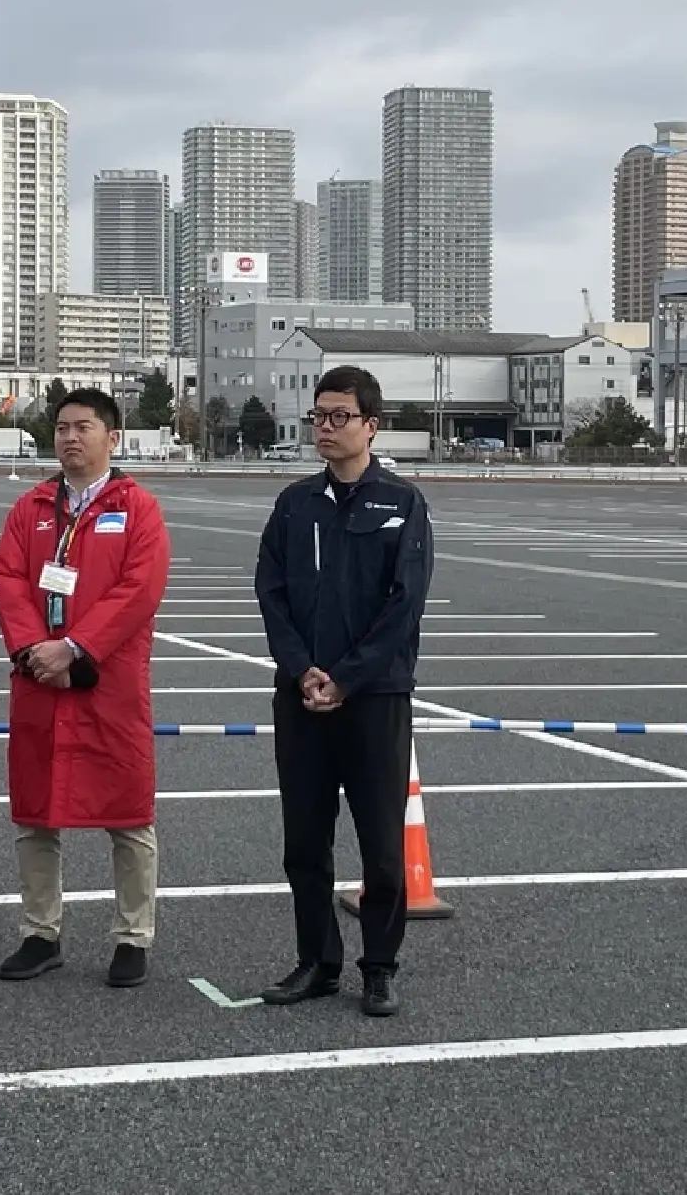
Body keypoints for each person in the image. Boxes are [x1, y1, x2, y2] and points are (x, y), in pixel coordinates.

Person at [254, 365, 434, 1017]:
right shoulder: (295, 503)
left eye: (339, 417)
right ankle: (317, 961)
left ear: (371, 426)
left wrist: (349, 677)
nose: (325, 428)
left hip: (375, 698)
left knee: (382, 845)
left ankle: (379, 966)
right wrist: (301, 668)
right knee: (305, 843)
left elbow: (404, 604)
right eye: (318, 416)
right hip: (301, 697)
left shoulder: (402, 503)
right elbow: (271, 590)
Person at [0, 387, 171, 989]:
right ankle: (40, 933)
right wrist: (32, 648)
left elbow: (139, 590)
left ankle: (133, 937)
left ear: (112, 438)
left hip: (109, 683)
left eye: (84, 427)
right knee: (36, 815)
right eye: (63, 427)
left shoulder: (137, 508)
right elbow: (8, 577)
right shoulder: (32, 508)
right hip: (40, 679)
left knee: (129, 816)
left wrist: (76, 646)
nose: (70, 437)